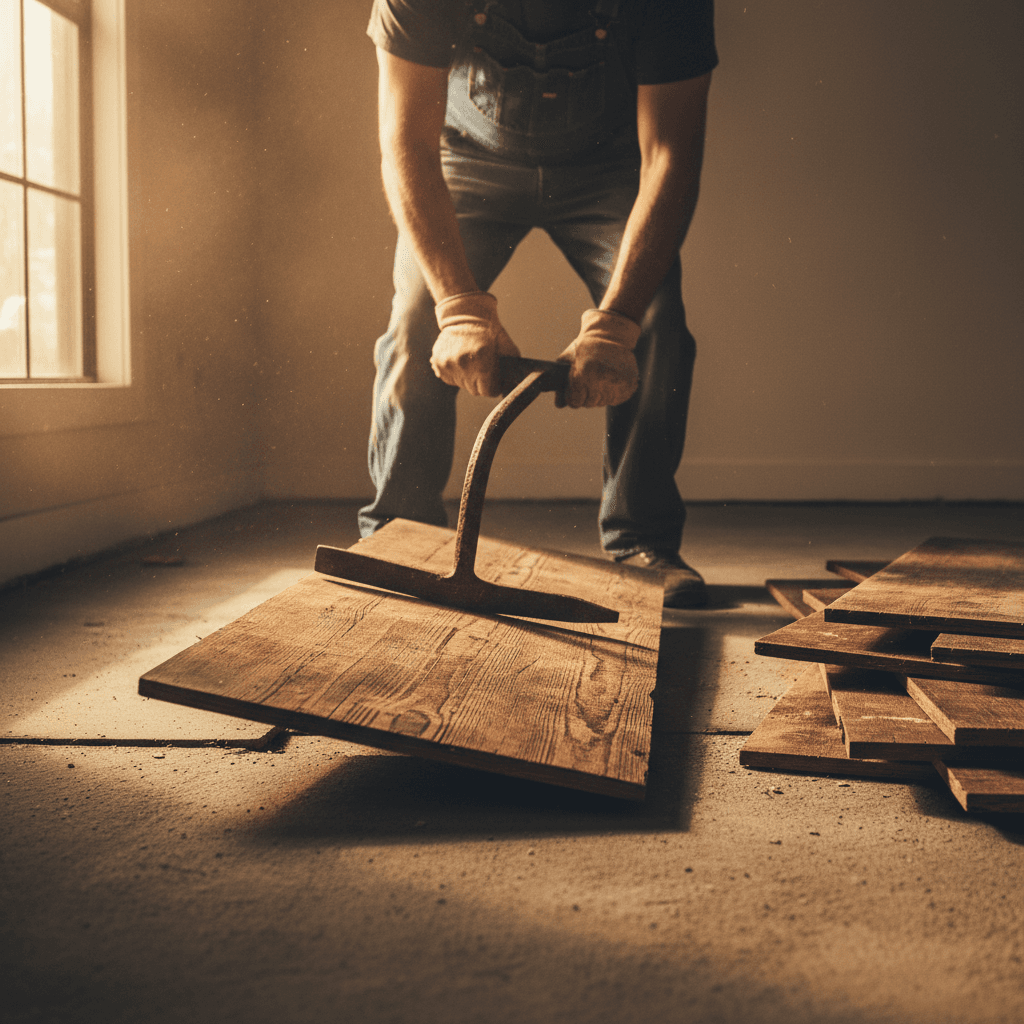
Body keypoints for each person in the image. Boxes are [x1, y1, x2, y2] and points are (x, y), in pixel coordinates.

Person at [359, 0, 717, 608]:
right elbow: (405, 144)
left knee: (655, 321)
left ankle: (641, 541)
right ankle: (399, 530)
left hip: (607, 168)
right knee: (417, 316)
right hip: (466, 158)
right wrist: (459, 309)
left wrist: (617, 323)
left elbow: (669, 158)